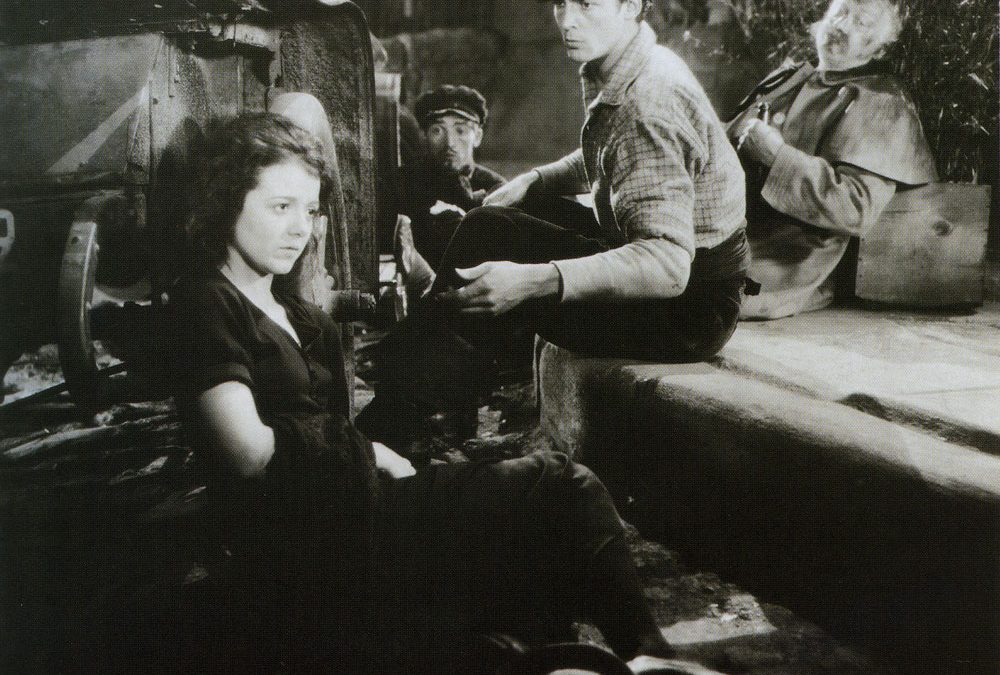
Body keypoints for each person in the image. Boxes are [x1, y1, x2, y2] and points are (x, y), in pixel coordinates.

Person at [163, 111, 718, 674]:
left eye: (309, 211)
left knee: (531, 536)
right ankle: (647, 654)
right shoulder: (205, 305)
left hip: (347, 511)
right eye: (280, 207)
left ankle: (578, 653)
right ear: (227, 202)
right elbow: (246, 453)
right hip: (305, 546)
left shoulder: (292, 310)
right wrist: (372, 453)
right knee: (560, 484)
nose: (299, 229)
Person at [356, 0, 751, 448]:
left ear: (631, 5)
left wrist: (533, 280)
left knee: (487, 237)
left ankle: (391, 419)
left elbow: (667, 265)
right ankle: (415, 379)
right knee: (494, 224)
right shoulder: (638, 61)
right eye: (561, 2)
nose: (567, 20)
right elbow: (610, 147)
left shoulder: (648, 104)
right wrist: (536, 180)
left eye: (587, 3)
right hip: (687, 275)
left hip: (687, 313)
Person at [727, 0, 937, 319]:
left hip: (784, 258)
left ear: (881, 49)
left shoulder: (882, 102)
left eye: (862, 22)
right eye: (839, 13)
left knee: (685, 290)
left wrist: (778, 157)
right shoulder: (791, 77)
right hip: (730, 230)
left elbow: (855, 207)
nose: (841, 25)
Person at [395, 84, 506, 298]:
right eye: (437, 130)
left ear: (478, 136)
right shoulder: (404, 183)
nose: (450, 143)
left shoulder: (497, 188)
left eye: (461, 130)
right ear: (424, 136)